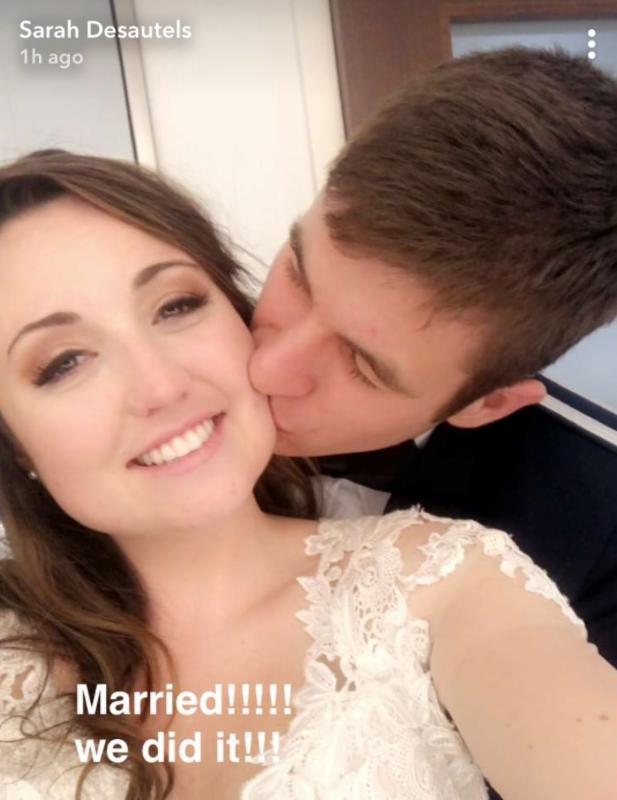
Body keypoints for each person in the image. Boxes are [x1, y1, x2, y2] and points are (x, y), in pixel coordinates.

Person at [0, 151, 616, 800]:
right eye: (63, 363)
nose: (160, 386)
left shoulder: (441, 585)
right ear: (16, 448)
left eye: (175, 306)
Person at [249, 47, 617, 681]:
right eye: (297, 274)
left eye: (364, 368)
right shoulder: (174, 344)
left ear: (487, 403)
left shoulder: (599, 531)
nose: (264, 370)